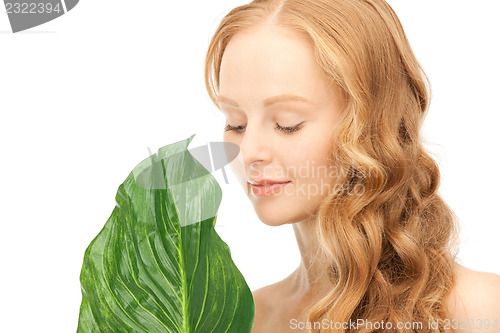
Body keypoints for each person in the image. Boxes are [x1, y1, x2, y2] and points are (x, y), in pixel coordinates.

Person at [204, 0, 500, 332]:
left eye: (288, 124)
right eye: (236, 123)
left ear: (374, 125)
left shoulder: (477, 309)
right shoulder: (246, 320)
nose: (248, 152)